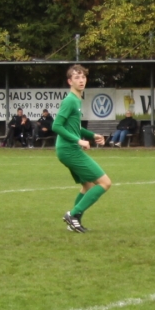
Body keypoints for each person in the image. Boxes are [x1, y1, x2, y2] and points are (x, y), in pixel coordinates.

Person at [55, 65, 111, 233]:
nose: (81, 80)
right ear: (69, 81)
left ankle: (74, 222)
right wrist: (79, 141)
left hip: (67, 149)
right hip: (69, 150)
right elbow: (56, 126)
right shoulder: (70, 101)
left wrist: (92, 135)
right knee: (105, 183)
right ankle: (72, 215)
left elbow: (74, 127)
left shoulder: (76, 100)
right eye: (77, 77)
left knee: (87, 185)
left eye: (83, 77)